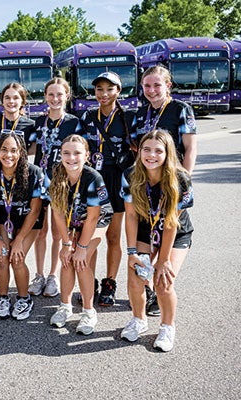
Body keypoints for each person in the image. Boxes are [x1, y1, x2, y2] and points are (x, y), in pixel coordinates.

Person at [120, 129, 194, 352]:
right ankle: (138, 320)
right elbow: (131, 215)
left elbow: (171, 223)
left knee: (163, 282)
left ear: (167, 153)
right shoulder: (130, 174)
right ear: (139, 151)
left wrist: (162, 261)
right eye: (146, 149)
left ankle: (167, 326)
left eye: (158, 151)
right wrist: (132, 251)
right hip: (144, 231)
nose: (151, 155)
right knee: (135, 277)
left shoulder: (180, 179)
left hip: (175, 233)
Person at [136, 65, 197, 316]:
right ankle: (147, 289)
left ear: (168, 86)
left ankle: (162, 284)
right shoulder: (141, 113)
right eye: (147, 86)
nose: (151, 90)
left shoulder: (181, 110)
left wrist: (183, 181)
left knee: (168, 229)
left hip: (172, 184)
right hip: (147, 184)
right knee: (148, 232)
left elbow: (190, 148)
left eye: (157, 85)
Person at [80, 72, 136, 306]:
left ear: (118, 91)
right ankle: (88, 280)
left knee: (113, 236)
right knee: (89, 234)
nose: (103, 94)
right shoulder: (87, 116)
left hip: (115, 179)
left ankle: (109, 282)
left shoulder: (128, 117)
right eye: (99, 89)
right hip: (92, 179)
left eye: (109, 89)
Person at [49, 135, 113, 335]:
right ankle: (65, 306)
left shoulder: (93, 177)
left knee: (81, 260)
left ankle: (88, 311)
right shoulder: (57, 173)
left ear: (87, 156)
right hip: (73, 220)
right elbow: (58, 213)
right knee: (67, 258)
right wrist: (66, 244)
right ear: (60, 155)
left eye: (77, 153)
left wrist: (82, 248)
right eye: (66, 153)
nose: (71, 157)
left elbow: (93, 217)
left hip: (97, 220)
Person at [0, 132, 47, 321]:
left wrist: (18, 240)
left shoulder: (34, 173)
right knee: (2, 256)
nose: (8, 155)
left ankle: (24, 299)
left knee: (17, 257)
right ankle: (2, 298)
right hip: (3, 221)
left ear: (21, 153)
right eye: (4, 150)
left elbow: (35, 211)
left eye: (13, 150)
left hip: (28, 222)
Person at [29, 78, 83, 298]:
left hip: (62, 182)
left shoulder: (74, 123)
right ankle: (40, 274)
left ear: (67, 96)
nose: (55, 99)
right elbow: (29, 148)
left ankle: (53, 275)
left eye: (59, 94)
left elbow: (81, 153)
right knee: (40, 231)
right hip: (40, 182)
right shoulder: (38, 122)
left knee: (58, 232)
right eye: (51, 94)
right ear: (45, 96)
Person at [0, 82, 36, 159]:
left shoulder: (30, 125)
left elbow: (35, 148)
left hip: (19, 169)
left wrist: (18, 155)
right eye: (7, 98)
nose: (11, 101)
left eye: (16, 98)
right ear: (2, 101)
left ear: (22, 102)